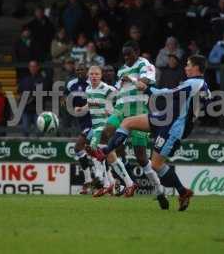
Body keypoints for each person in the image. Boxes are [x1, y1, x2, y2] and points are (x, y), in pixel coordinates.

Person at [90, 55, 211, 211]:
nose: (186, 67)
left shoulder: (194, 83)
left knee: (156, 165)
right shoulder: (201, 84)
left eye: (188, 65)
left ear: (196, 67)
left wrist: (147, 89)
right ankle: (105, 151)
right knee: (127, 122)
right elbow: (207, 99)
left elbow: (168, 93)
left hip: (172, 127)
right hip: (164, 118)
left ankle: (182, 192)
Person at [90, 41, 165, 199]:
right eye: (124, 55)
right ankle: (99, 173)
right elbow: (116, 91)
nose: (126, 58)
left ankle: (159, 188)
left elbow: (143, 83)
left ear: (137, 52)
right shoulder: (122, 70)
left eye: (128, 54)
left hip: (138, 111)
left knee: (141, 157)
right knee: (106, 132)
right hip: (122, 109)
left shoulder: (144, 64)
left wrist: (132, 79)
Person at [74, 66, 117, 196]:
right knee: (100, 153)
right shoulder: (88, 89)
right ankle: (110, 184)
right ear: (88, 75)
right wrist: (82, 109)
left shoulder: (108, 89)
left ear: (101, 75)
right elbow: (91, 104)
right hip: (97, 125)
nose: (94, 76)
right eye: (91, 74)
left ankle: (102, 179)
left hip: (107, 125)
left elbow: (120, 99)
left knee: (98, 151)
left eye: (96, 74)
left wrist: (113, 112)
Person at [18, 60, 45, 137]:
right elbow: (20, 93)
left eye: (34, 66)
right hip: (26, 110)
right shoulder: (24, 80)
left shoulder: (42, 80)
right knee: (25, 132)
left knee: (39, 133)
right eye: (31, 66)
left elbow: (44, 93)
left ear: (38, 67)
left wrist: (31, 96)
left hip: (38, 110)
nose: (33, 68)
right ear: (29, 68)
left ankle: (40, 148)